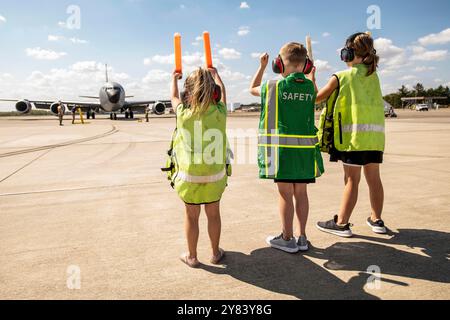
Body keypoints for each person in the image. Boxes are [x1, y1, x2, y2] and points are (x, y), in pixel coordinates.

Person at [250, 43, 324, 253]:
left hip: (281, 152)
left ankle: (287, 237)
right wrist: (312, 77)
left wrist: (262, 67)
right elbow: (314, 92)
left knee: (285, 194)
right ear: (306, 64)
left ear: (279, 64)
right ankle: (302, 237)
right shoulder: (310, 87)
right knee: (301, 193)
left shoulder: (273, 86)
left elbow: (252, 89)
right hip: (304, 153)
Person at [315, 32, 387, 237]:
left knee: (351, 181)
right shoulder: (373, 76)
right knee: (374, 179)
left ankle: (342, 223)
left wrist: (311, 78)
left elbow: (316, 99)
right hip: (374, 139)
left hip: (353, 140)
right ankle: (377, 220)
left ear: (349, 54)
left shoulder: (341, 76)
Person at [169, 67, 229, 268]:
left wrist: (174, 79)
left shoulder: (183, 114)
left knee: (191, 216)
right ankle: (215, 253)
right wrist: (215, 75)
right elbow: (223, 92)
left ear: (188, 93)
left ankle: (192, 256)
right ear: (215, 93)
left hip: (189, 177)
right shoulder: (220, 112)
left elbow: (173, 97)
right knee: (213, 214)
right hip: (214, 176)